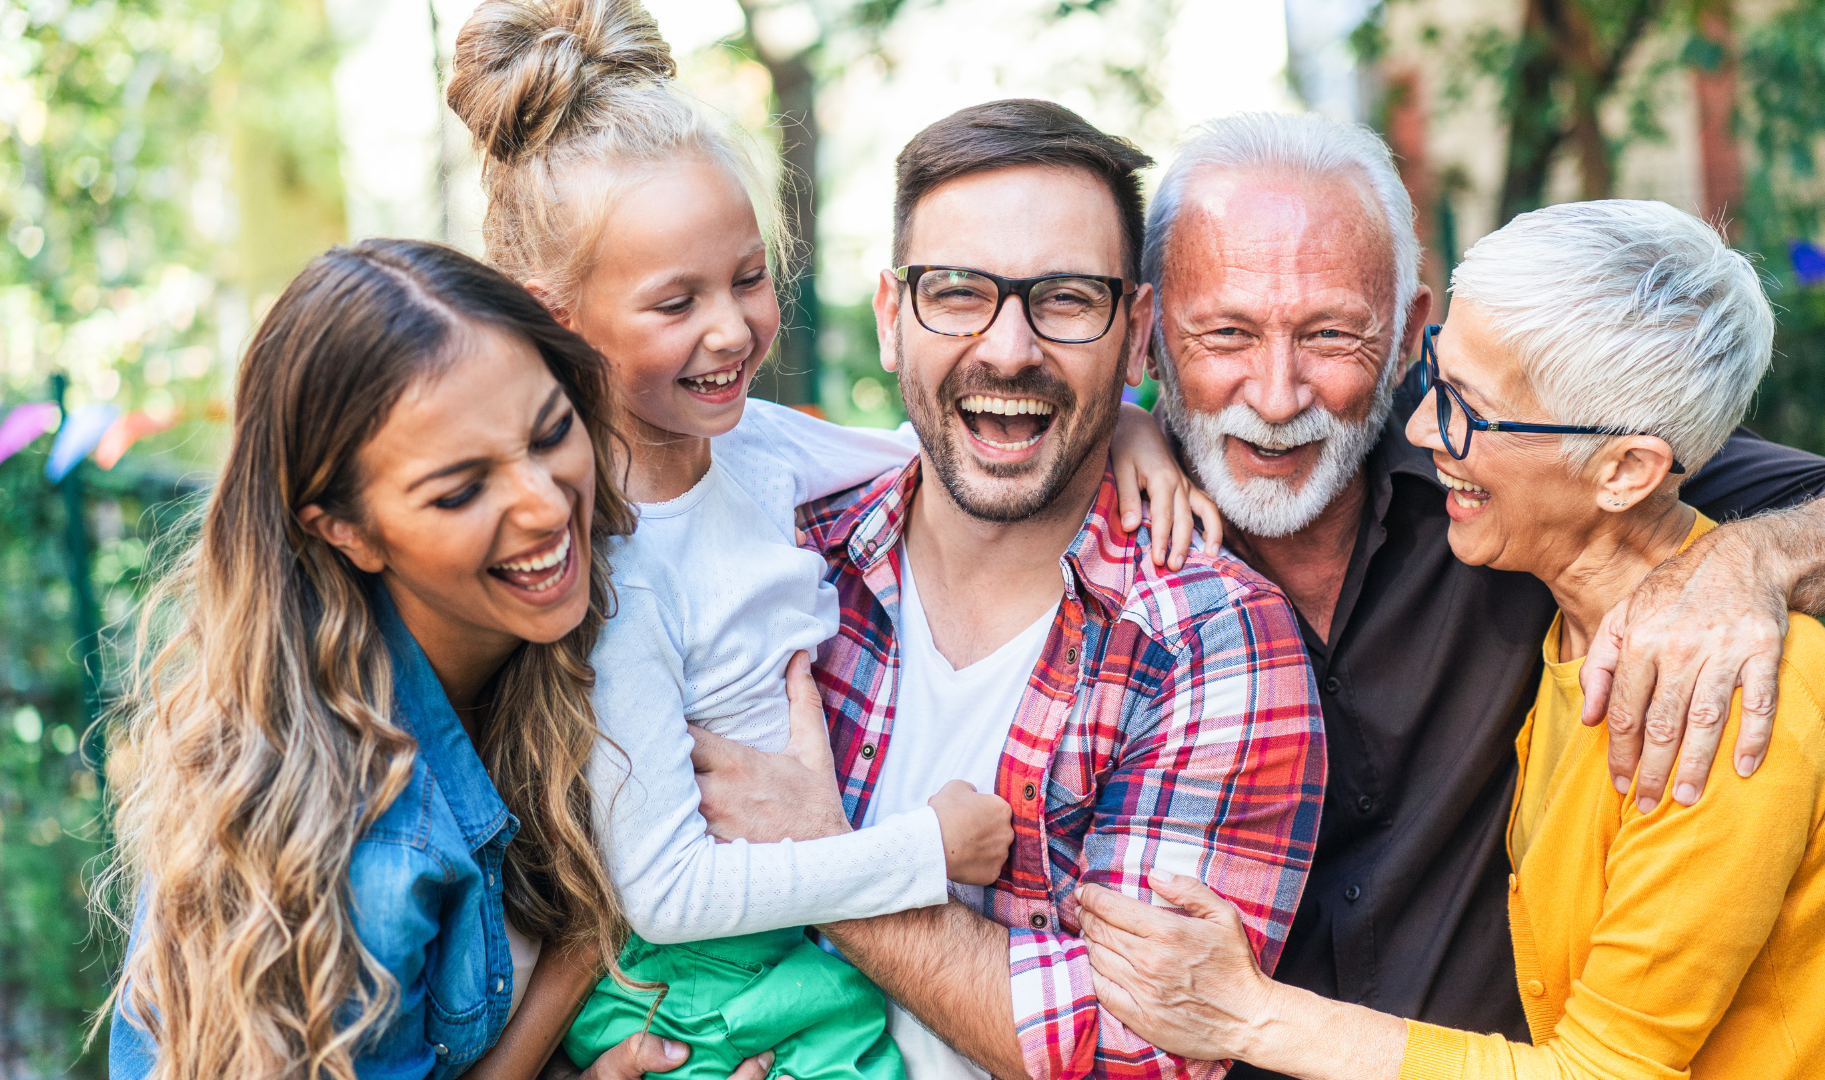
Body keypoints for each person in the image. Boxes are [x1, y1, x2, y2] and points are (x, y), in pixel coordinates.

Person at [442, 9, 1222, 1079]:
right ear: (557, 319)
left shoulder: (756, 448)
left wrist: (1125, 422)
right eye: (675, 302)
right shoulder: (609, 569)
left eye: (746, 279)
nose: (731, 330)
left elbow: (942, 442)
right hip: (699, 982)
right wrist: (921, 852)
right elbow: (662, 891)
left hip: (791, 950)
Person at [1075, 198, 1825, 1080]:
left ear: (1625, 471)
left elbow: (1603, 1072)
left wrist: (1251, 1015)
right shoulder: (1570, 614)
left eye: (1466, 411)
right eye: (1436, 381)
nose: (1419, 430)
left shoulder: (1718, 686)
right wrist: (1129, 425)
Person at [686, 99, 1326, 1080]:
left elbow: (1131, 1053)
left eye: (1065, 298)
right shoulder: (778, 555)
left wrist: (817, 859)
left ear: (1136, 334)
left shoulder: (1210, 641)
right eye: (957, 293)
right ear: (892, 318)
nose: (1009, 348)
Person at [102, 239, 639, 1080]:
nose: (544, 505)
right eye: (460, 491)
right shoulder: (366, 844)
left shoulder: (559, 618)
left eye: (550, 432)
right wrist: (583, 952)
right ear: (345, 531)